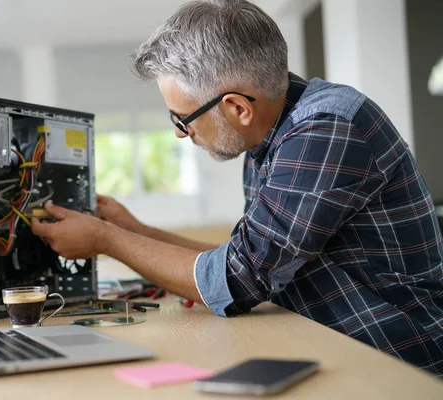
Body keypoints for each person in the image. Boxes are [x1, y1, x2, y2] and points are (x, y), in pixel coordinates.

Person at [31, 0, 443, 376]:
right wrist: (134, 229)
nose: (180, 133)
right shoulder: (270, 136)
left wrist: (107, 240)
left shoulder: (327, 130)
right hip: (331, 343)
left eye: (181, 118)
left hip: (399, 359)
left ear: (238, 108)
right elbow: (243, 262)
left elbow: (235, 280)